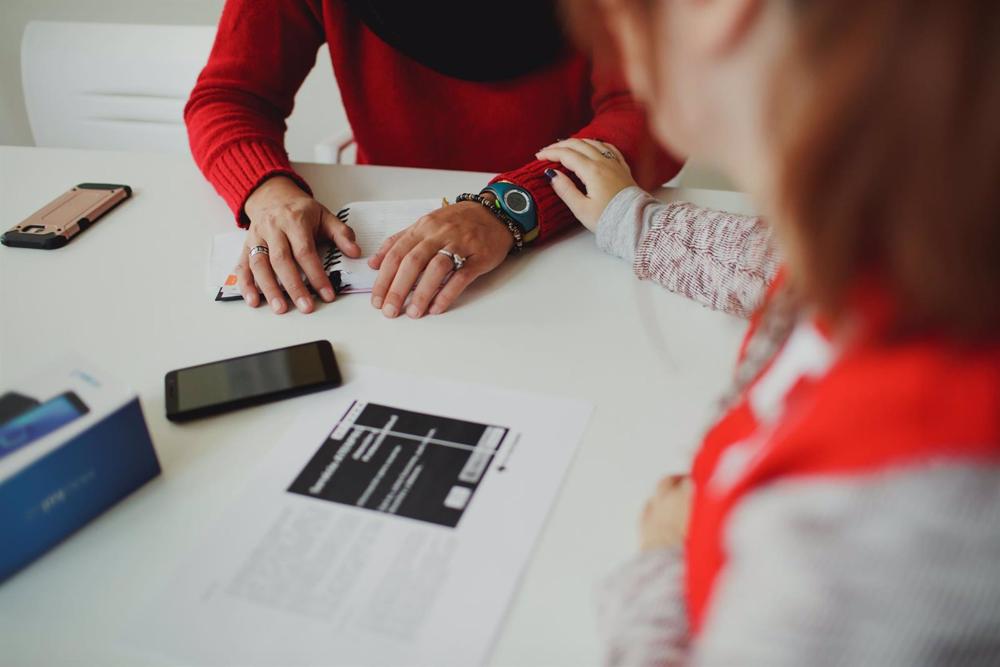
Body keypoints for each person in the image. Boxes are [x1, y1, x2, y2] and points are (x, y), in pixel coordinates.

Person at [542, 0, 1000, 663]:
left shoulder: (860, 539)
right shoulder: (914, 240)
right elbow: (770, 265)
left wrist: (662, 559)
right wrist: (630, 220)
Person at [184, 0, 680, 318]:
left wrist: (507, 207)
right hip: (386, 242)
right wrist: (269, 193)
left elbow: (652, 113)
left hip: (572, 244)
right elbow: (230, 96)